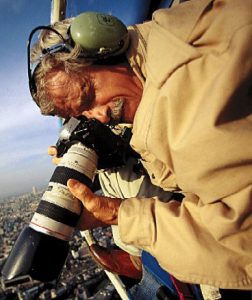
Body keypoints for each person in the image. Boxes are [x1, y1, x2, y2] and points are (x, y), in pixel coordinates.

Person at [30, 0, 252, 296]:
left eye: (89, 98)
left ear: (105, 46)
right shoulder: (168, 28)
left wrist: (118, 214)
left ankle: (145, 260)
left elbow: (238, 244)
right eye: (82, 114)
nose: (100, 116)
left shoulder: (186, 109)